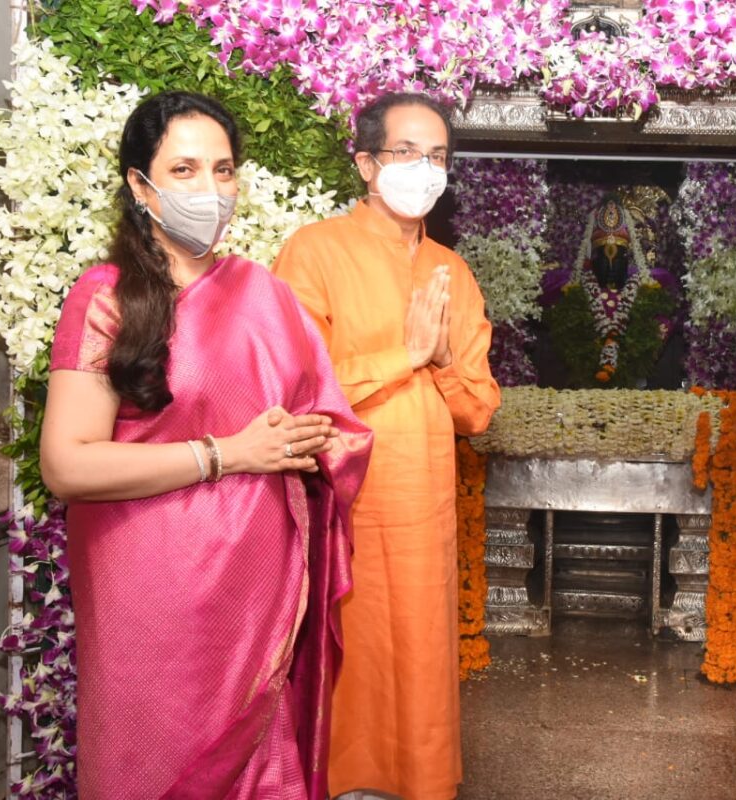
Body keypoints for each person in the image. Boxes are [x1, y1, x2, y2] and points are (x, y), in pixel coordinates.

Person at [39, 91, 373, 799]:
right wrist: (228, 453)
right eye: (184, 170)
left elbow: (323, 425)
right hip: (149, 587)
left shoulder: (263, 294)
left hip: (256, 588)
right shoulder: (108, 298)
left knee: (261, 762)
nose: (210, 189)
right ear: (141, 186)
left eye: (223, 170)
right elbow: (67, 464)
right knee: (154, 762)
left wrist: (313, 444)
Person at [272, 92, 501, 800]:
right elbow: (291, 389)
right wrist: (405, 356)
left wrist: (441, 361)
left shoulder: (451, 270)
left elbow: (478, 410)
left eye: (438, 156)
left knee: (421, 653)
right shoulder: (314, 251)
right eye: (406, 152)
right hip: (344, 506)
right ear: (367, 164)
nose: (424, 169)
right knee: (351, 653)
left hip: (425, 511)